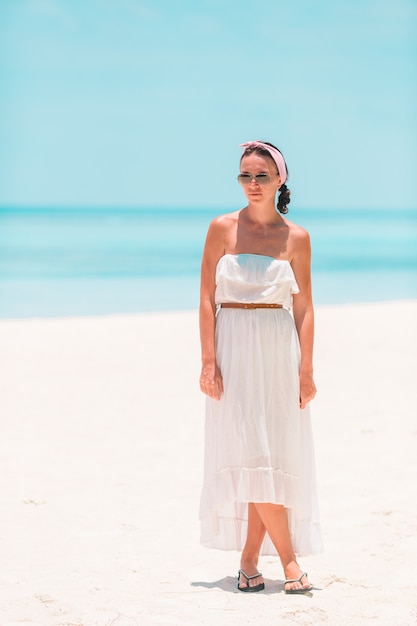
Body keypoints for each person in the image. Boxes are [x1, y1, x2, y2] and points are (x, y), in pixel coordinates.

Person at [198, 140, 323, 594]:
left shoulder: (297, 238)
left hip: (276, 350)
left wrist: (306, 370)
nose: (253, 184)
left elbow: (304, 307)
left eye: (262, 177)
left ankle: (250, 562)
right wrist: (208, 361)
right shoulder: (221, 228)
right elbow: (205, 300)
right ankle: (289, 563)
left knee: (267, 456)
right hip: (233, 348)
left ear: (280, 181)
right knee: (252, 453)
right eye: (245, 176)